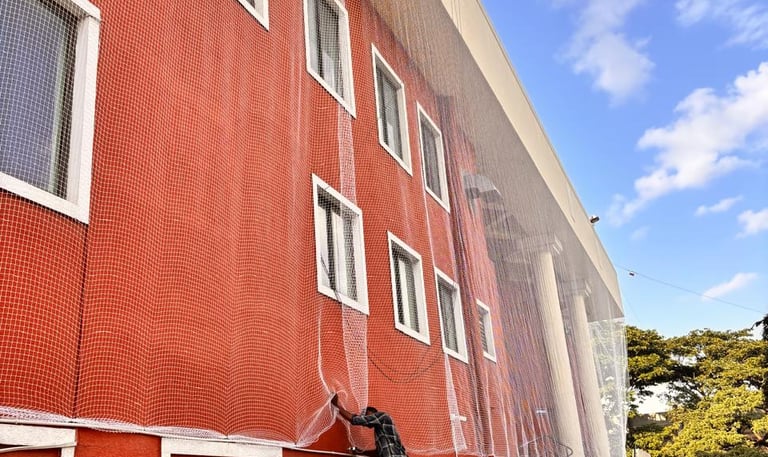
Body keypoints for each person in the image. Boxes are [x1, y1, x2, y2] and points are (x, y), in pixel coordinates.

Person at [331, 393, 408, 457]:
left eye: (367, 416)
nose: (366, 419)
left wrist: (337, 405)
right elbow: (380, 451)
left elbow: (355, 420)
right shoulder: (381, 432)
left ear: (374, 414)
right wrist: (359, 452)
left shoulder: (383, 417)